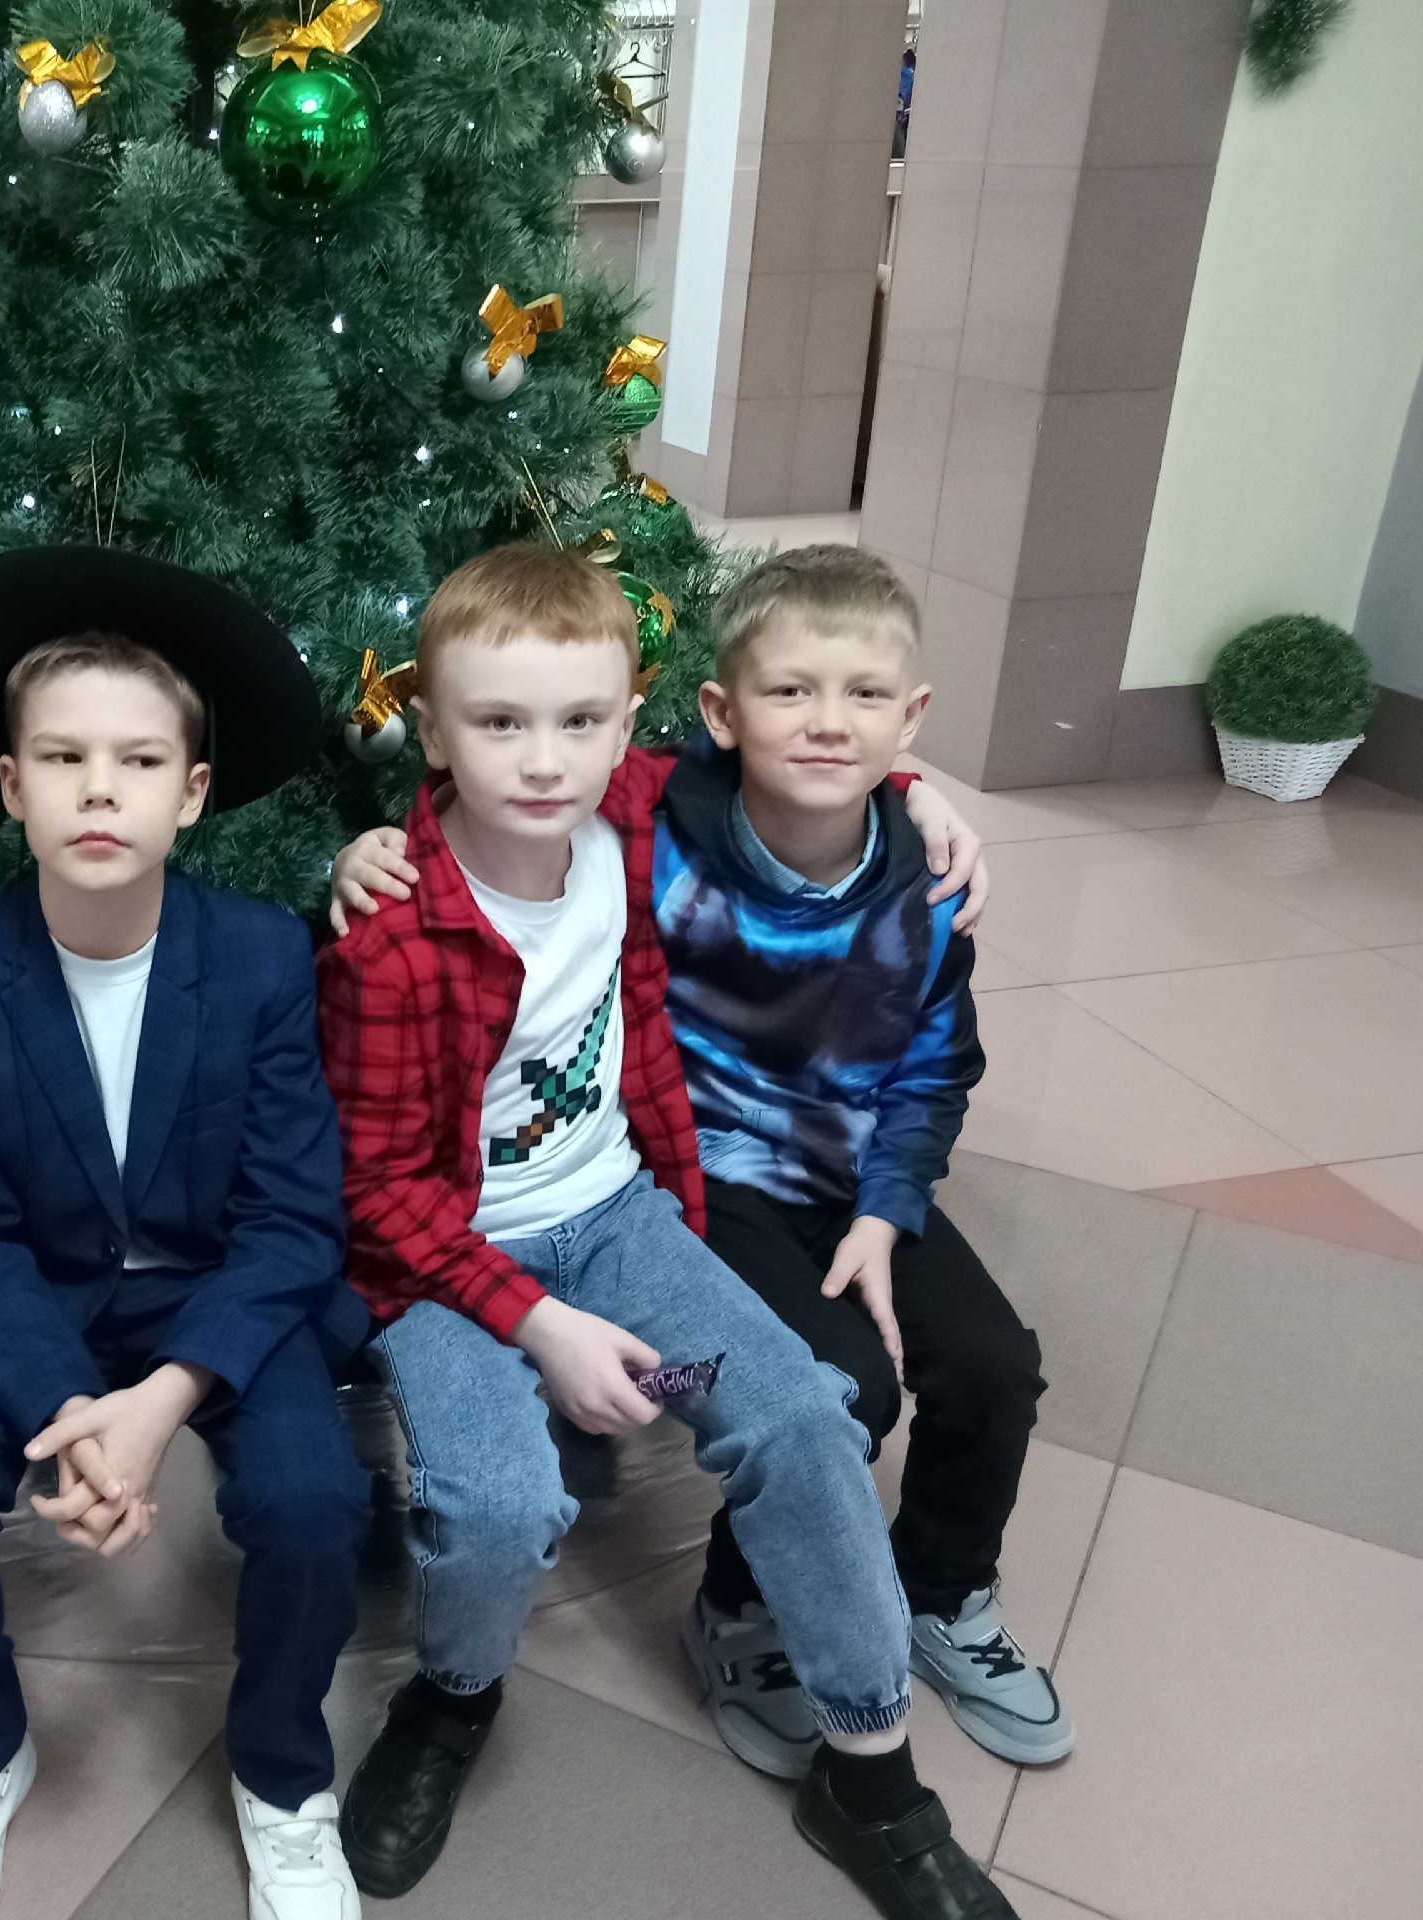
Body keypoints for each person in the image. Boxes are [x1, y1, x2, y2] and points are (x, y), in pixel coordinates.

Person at [314, 544, 1018, 1920]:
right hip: (447, 1268)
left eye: (579, 721)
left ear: (627, 725)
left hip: (618, 1219)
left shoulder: (634, 815)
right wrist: (542, 1329)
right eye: (498, 723)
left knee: (802, 1417)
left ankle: (872, 1776)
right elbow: (375, 1190)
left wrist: (917, 793)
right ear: (432, 732)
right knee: (504, 1504)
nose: (544, 760)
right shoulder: (391, 936)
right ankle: (452, 1703)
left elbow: (799, 759)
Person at [0, 548, 372, 1920]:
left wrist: (159, 1404)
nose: (99, 789)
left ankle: (281, 1775)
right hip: (25, 1296)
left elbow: (290, 1219)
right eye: (63, 758)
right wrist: (70, 1411)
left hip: (215, 1299)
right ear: (10, 784)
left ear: (190, 791)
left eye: (138, 761)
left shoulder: (260, 955)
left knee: (315, 1502)